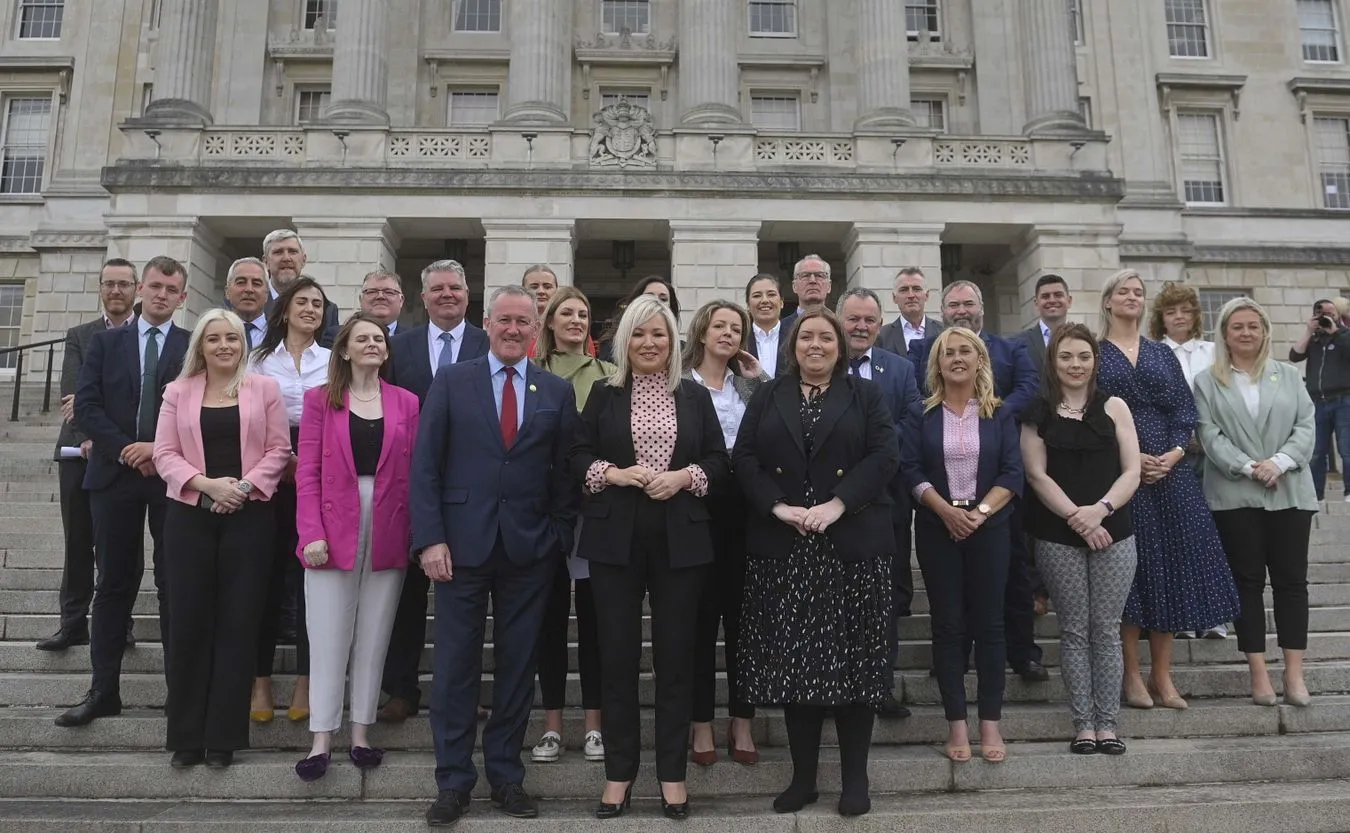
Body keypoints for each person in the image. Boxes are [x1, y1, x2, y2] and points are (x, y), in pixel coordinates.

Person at [414, 285, 579, 826]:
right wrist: (430, 538)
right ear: (488, 323)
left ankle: (506, 777)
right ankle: (453, 782)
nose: (513, 329)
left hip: (529, 550)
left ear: (536, 329)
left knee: (517, 668)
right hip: (459, 549)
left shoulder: (555, 390)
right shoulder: (451, 380)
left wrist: (557, 535)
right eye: (504, 320)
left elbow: (565, 473)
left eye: (522, 322)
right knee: (454, 668)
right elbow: (426, 464)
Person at [734, 308, 898, 817]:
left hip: (851, 545)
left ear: (840, 346)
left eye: (826, 337)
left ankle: (855, 780)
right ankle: (803, 779)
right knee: (795, 666)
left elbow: (884, 456)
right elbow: (745, 459)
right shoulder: (768, 395)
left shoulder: (865, 395)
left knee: (856, 665)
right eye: (806, 336)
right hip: (787, 547)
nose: (816, 345)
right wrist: (778, 507)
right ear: (793, 345)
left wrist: (838, 504)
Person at [570, 295, 727, 820]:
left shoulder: (694, 395)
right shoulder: (604, 393)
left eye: (658, 333)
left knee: (676, 660)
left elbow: (718, 462)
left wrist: (684, 477)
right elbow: (577, 454)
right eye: (638, 334)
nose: (649, 343)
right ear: (624, 340)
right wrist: (612, 473)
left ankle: (672, 776)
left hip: (681, 538)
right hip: (614, 537)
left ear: (673, 340)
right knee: (616, 658)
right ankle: (619, 775)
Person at [151, 309, 290, 768]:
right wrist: (208, 485)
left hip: (249, 518)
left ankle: (224, 738)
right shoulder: (177, 391)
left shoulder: (264, 389)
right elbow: (164, 453)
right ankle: (186, 738)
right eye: (214, 339)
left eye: (231, 338)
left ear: (242, 344)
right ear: (201, 346)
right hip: (190, 517)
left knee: (238, 624)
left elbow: (279, 450)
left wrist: (242, 488)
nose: (224, 345)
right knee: (189, 622)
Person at [1095, 269, 1240, 711]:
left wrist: (1174, 454)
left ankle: (1162, 675)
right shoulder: (1095, 353)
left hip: (1170, 474)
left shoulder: (1161, 352)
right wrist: (1131, 459)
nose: (1132, 297)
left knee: (1172, 568)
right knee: (1131, 574)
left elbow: (1184, 409)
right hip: (1120, 473)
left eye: (1138, 292)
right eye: (1124, 291)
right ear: (1108, 301)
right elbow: (1090, 412)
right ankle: (1131, 675)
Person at [57, 257, 191, 728]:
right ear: (140, 289)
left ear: (182, 297)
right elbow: (86, 406)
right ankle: (103, 690)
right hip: (114, 476)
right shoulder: (105, 343)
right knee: (112, 584)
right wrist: (128, 449)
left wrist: (159, 449)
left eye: (170, 289)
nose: (161, 295)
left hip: (172, 479)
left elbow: (199, 409)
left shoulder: (192, 345)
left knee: (175, 584)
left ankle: (181, 694)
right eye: (154, 286)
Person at [293, 314, 421, 781]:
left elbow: (417, 472)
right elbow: (307, 472)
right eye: (362, 338)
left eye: (379, 338)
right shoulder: (319, 399)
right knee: (328, 632)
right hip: (332, 523)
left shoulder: (407, 402)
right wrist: (311, 532)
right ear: (344, 350)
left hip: (390, 522)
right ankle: (321, 739)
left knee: (375, 631)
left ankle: (362, 733)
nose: (372, 344)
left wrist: (416, 532)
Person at [910, 281, 1046, 683]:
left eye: (968, 303)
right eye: (953, 304)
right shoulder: (926, 350)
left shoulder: (1010, 348)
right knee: (950, 594)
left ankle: (1022, 653)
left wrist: (989, 410)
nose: (961, 310)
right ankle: (953, 658)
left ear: (982, 307)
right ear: (943, 311)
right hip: (943, 484)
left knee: (1013, 574)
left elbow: (1029, 388)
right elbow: (918, 400)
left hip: (998, 481)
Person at [902, 327, 1023, 765]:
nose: (956, 358)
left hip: (989, 527)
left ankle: (990, 721)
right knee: (948, 625)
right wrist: (946, 512)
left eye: (965, 351)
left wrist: (979, 513)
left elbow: (1012, 472)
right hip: (938, 528)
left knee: (990, 625)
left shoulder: (999, 413)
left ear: (979, 360)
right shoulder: (920, 413)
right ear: (936, 363)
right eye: (947, 352)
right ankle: (956, 723)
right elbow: (910, 469)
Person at [1021, 324, 1141, 756]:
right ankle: (1083, 726)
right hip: (1058, 535)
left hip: (1114, 533)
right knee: (1073, 630)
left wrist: (1100, 511)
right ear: (1053, 361)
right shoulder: (1037, 411)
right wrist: (1077, 518)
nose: (1076, 365)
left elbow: (1132, 470)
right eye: (1066, 357)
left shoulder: (1115, 407)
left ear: (1095, 361)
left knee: (1106, 630)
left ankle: (1107, 725)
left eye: (1084, 357)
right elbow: (1036, 474)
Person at [378, 259, 490, 724]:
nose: (447, 295)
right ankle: (400, 689)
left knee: (465, 602)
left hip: (472, 487)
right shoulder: (398, 347)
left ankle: (464, 692)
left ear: (468, 295)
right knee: (406, 596)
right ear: (422, 298)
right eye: (438, 288)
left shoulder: (488, 343)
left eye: (455, 288)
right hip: (409, 485)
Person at [1194, 298, 1316, 708]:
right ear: (1224, 334)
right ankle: (1258, 672)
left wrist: (1278, 462)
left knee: (1291, 583)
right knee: (1246, 583)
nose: (1246, 333)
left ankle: (1294, 673)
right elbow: (1209, 434)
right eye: (1237, 327)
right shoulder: (1208, 381)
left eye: (1253, 326)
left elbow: (1305, 425)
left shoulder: (1288, 375)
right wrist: (1249, 467)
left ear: (1264, 331)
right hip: (1235, 495)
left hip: (1289, 490)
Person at [681, 300, 769, 768]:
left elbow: (777, 428)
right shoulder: (681, 385)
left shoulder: (746, 386)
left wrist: (758, 382)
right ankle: (700, 722)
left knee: (744, 624)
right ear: (702, 331)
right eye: (720, 326)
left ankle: (742, 720)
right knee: (699, 621)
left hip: (745, 514)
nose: (728, 334)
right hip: (696, 511)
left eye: (737, 328)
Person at [529, 286, 614, 765]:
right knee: (550, 621)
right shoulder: (531, 372)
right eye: (567, 313)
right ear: (550, 321)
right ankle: (553, 726)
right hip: (544, 511)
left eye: (583, 313)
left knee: (595, 622)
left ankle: (595, 726)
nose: (577, 320)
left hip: (596, 512)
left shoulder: (609, 374)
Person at [247, 277, 333, 725]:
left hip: (320, 472)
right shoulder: (258, 360)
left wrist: (309, 463)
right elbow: (247, 416)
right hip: (266, 472)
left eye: (318, 303)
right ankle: (259, 680)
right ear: (284, 310)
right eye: (302, 301)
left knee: (310, 581)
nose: (310, 309)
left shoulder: (334, 360)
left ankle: (305, 679)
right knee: (264, 578)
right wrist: (278, 461)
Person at [39, 260, 136, 652]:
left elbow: (135, 398)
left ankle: (120, 623)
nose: (116, 290)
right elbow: (73, 393)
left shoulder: (144, 335)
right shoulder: (80, 335)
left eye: (123, 284)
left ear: (136, 289)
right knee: (77, 541)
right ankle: (73, 622)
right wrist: (88, 434)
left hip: (125, 455)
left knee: (121, 547)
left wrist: (106, 430)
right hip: (78, 451)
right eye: (109, 283)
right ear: (100, 287)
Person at [836, 287, 922, 719]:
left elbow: (912, 421)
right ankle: (833, 684)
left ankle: (879, 685)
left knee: (882, 601)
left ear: (880, 323)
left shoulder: (900, 369)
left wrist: (872, 452)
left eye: (869, 319)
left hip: (885, 501)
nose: (861, 326)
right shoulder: (822, 364)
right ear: (839, 320)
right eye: (853, 318)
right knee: (833, 600)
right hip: (830, 502)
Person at [1148, 282, 1225, 639]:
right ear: (1161, 318)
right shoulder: (1152, 353)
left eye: (1186, 310)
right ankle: (1183, 614)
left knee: (1212, 535)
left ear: (1195, 315)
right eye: (1171, 311)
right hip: (1171, 455)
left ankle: (1214, 615)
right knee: (1179, 537)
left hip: (1213, 453)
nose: (1179, 316)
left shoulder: (1213, 351)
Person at [1289, 298, 1350, 501]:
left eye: (1331, 313)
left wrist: (1335, 332)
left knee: (1347, 449)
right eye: (1323, 313)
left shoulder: (1345, 335)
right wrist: (1309, 331)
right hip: (1318, 402)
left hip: (1344, 400)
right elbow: (1294, 356)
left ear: (1338, 315)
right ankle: (1316, 494)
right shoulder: (1314, 340)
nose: (1327, 317)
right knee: (1316, 451)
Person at [261, 230, 341, 348]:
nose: (286, 258)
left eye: (293, 252)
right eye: (278, 252)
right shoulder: (251, 303)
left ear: (303, 260)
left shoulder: (328, 310)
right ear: (265, 261)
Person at [598, 275, 681, 362]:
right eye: (638, 335)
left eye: (663, 299)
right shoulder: (611, 347)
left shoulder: (682, 350)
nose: (656, 302)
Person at [878, 267, 945, 360]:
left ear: (927, 295)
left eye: (916, 289)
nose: (911, 295)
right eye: (904, 290)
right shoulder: (882, 335)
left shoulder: (943, 331)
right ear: (894, 298)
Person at [1013, 274, 1073, 375]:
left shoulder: (1089, 340)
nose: (1052, 300)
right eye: (1045, 296)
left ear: (1069, 301)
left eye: (1058, 295)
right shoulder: (1018, 343)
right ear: (1036, 303)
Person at [223, 257, 271, 349]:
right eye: (241, 282)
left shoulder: (282, 335)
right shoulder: (211, 333)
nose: (249, 289)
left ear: (266, 294)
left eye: (256, 284)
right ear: (227, 292)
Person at [744, 274, 786, 378]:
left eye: (771, 294)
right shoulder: (740, 340)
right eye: (757, 296)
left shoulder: (795, 336)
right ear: (748, 305)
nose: (765, 300)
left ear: (781, 302)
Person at [358, 271, 405, 336]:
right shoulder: (344, 336)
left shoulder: (416, 339)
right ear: (361, 299)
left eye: (389, 292)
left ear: (401, 301)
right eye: (372, 292)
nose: (380, 296)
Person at [788, 254, 833, 319]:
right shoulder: (781, 325)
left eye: (819, 275)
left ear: (829, 286)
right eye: (805, 275)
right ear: (794, 286)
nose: (812, 280)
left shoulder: (840, 324)